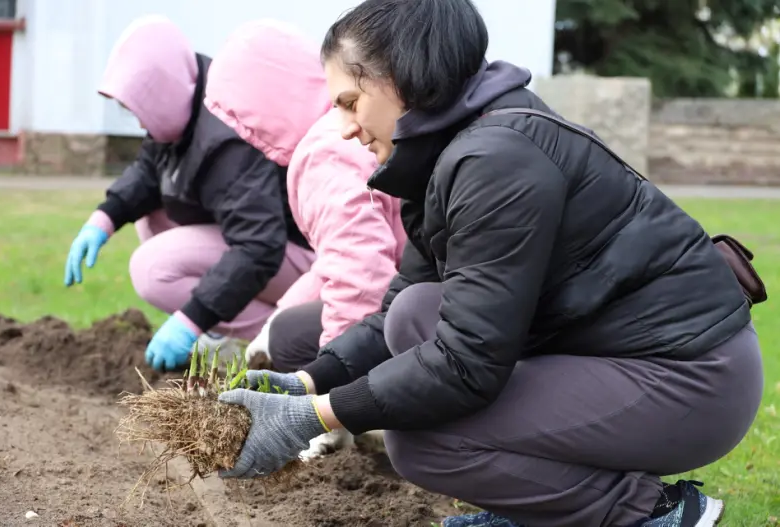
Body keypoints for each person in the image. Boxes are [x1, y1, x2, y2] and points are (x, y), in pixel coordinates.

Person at [214, 1, 764, 526]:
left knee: (424, 443)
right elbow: (393, 320)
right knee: (413, 312)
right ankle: (551, 511)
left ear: (400, 78)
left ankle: (650, 513)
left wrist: (318, 416)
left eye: (349, 102)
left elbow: (467, 363)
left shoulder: (497, 159)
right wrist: (308, 382)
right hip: (623, 354)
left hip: (690, 377)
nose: (344, 127)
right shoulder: (449, 151)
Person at [63, 15, 315, 372]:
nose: (138, 122)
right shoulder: (188, 96)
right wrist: (104, 218)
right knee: (151, 219)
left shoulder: (228, 136)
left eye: (139, 109)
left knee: (153, 269)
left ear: (162, 90)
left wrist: (192, 319)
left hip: (302, 257)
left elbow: (259, 246)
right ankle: (225, 335)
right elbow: (150, 170)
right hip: (265, 245)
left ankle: (286, 341)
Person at [204, 19, 407, 458]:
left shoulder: (323, 153)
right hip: (425, 294)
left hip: (421, 315)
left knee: (291, 339)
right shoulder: (355, 125)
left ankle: (392, 423)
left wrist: (327, 407)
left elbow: (360, 280)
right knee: (285, 325)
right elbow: (338, 259)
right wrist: (275, 316)